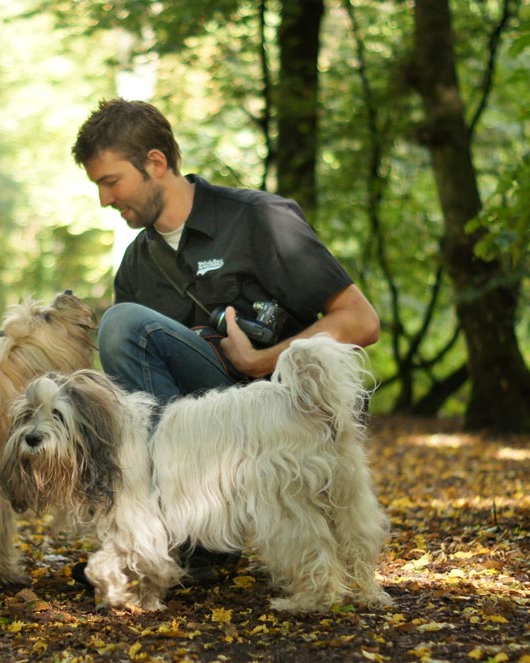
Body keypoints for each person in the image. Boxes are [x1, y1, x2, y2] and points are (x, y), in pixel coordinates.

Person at [69, 97, 380, 584]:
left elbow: (361, 321)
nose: (105, 200)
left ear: (156, 162)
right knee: (121, 337)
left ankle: (184, 536)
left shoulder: (259, 218)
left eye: (111, 182)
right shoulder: (136, 264)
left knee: (122, 323)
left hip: (280, 406)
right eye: (98, 187)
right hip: (204, 430)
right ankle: (177, 535)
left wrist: (262, 360)